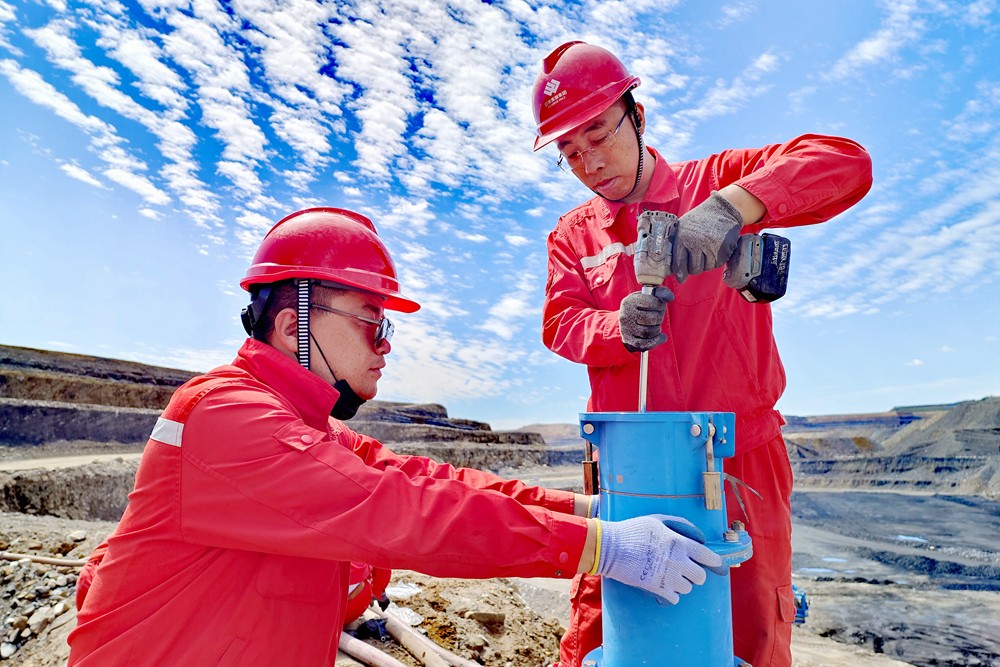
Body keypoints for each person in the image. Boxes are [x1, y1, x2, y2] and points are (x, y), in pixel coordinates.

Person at [67, 206, 724, 665]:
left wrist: (589, 510)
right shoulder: (226, 418)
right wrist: (602, 548)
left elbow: (424, 478)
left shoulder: (299, 423)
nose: (386, 347)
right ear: (297, 319)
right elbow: (401, 512)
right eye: (372, 323)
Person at [530, 41, 873, 667]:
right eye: (569, 151)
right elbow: (559, 323)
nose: (587, 161)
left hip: (739, 463)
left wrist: (733, 207)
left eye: (598, 134)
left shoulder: (714, 181)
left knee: (749, 632)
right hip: (629, 467)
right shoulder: (572, 233)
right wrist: (614, 327)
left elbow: (845, 163)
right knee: (603, 634)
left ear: (636, 115)